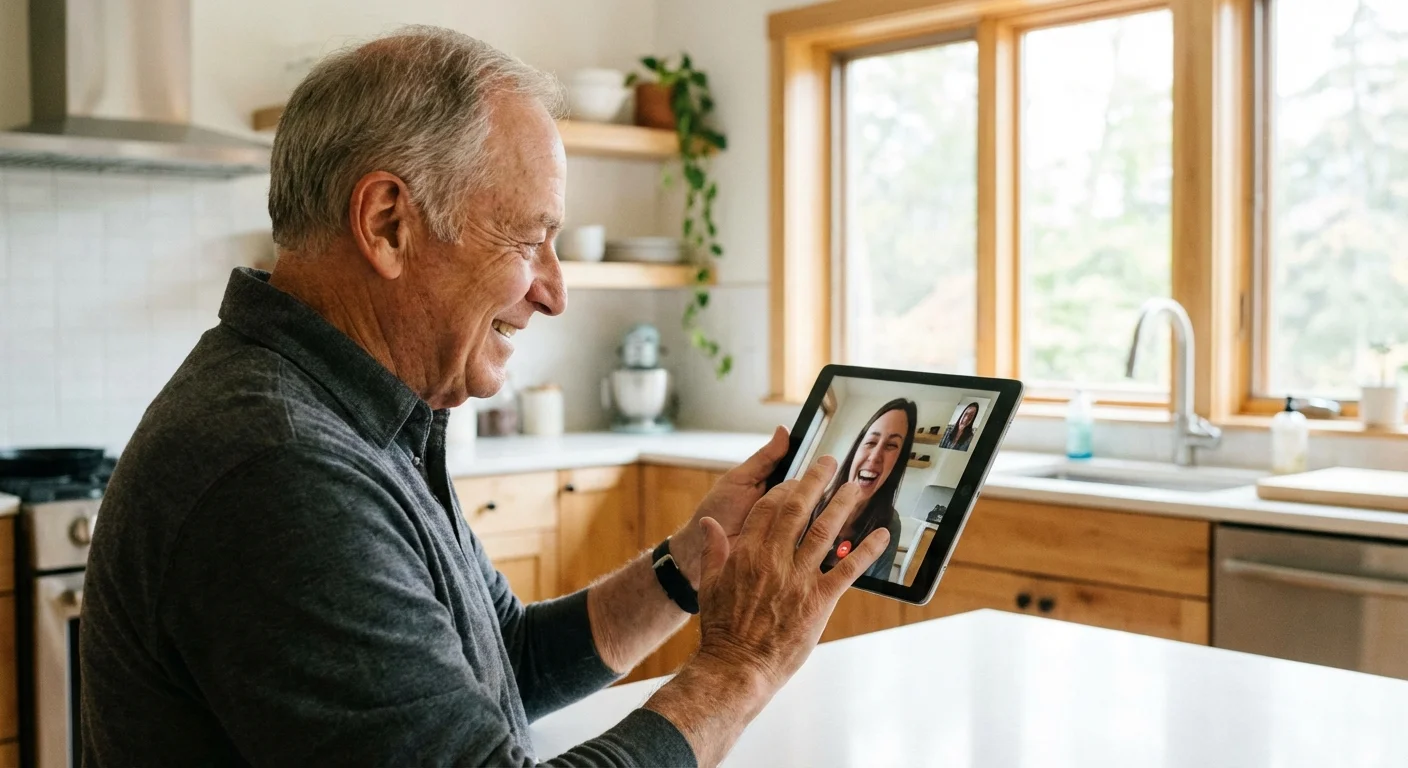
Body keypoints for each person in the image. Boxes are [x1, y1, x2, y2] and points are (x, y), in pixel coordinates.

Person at [79, 27, 890, 768]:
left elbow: (505, 660)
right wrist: (739, 668)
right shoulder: (281, 468)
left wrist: (690, 562)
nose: (555, 292)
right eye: (530, 238)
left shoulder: (359, 413)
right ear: (389, 223)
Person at [808, 398, 916, 581]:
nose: (874, 458)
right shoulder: (811, 501)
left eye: (891, 445)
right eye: (871, 442)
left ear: (898, 463)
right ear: (856, 450)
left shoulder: (891, 524)